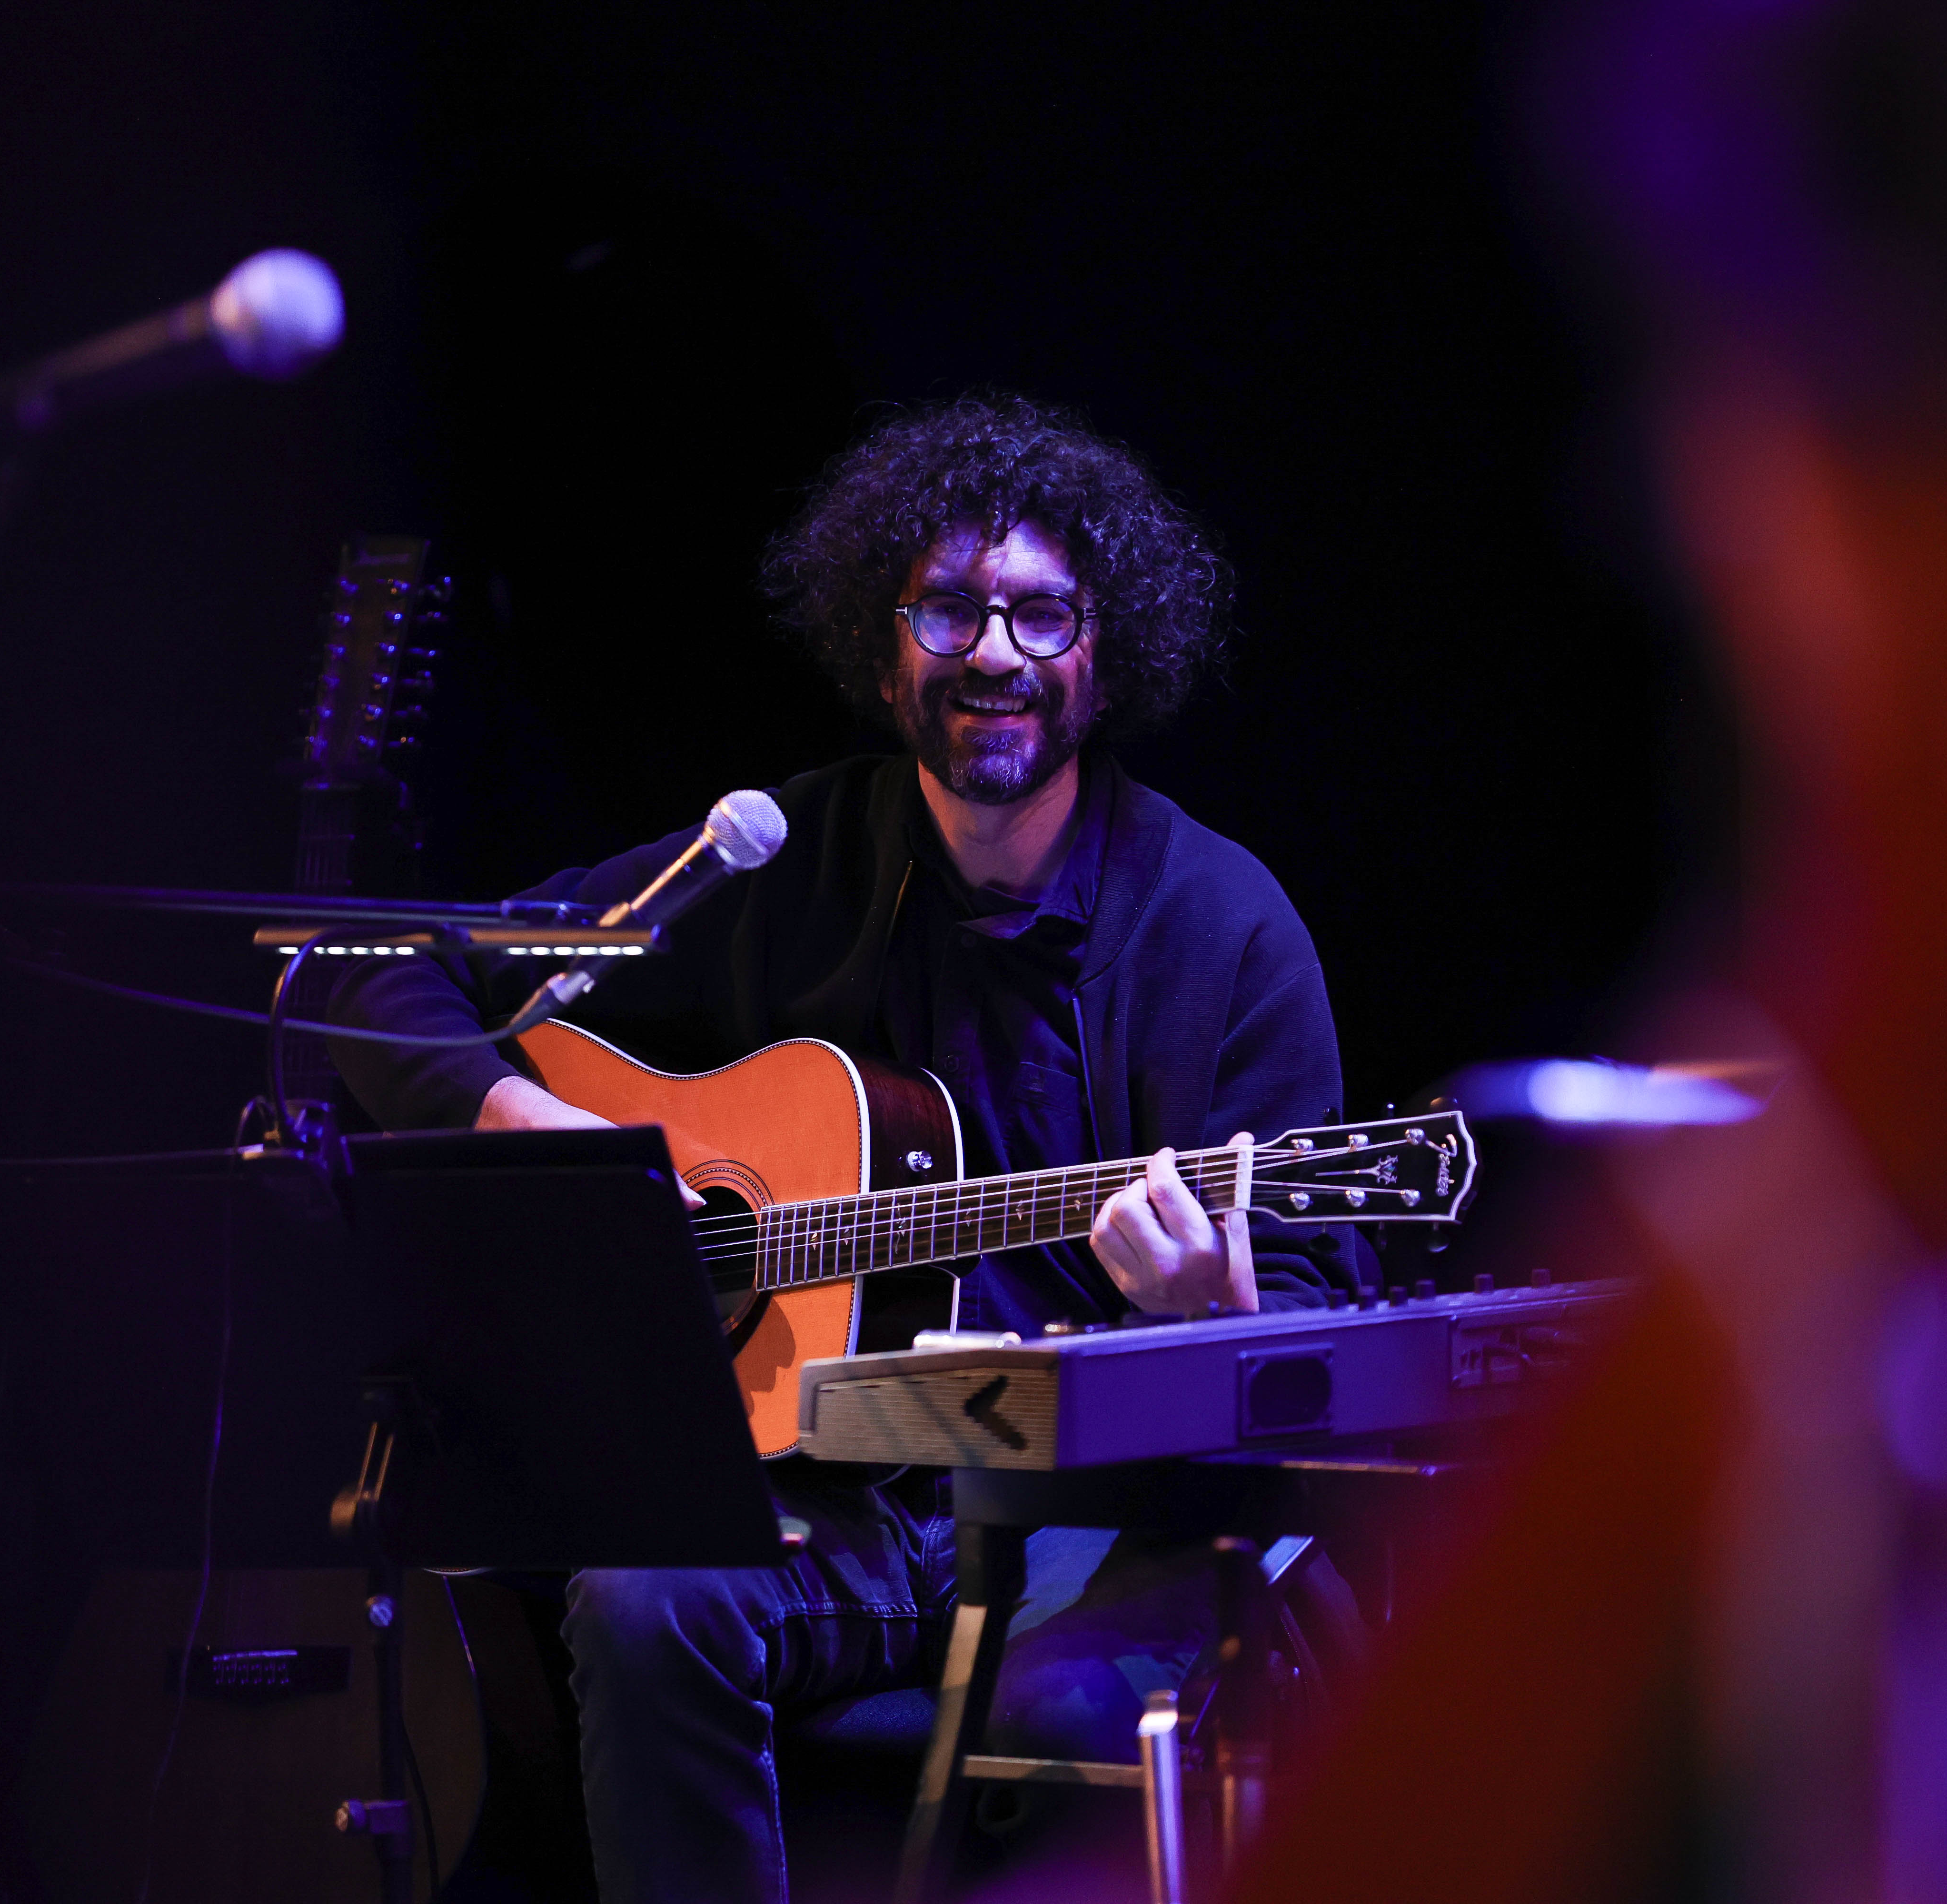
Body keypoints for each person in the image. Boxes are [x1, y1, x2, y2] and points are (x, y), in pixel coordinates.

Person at [332, 392, 1371, 1902]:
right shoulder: (784, 861)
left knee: (1067, 1723)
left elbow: (1329, 1321)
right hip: (841, 1498)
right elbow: (377, 975)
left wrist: (1211, 1315)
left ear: (1106, 650)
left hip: (1093, 1510)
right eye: (948, 610)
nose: (994, 654)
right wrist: (549, 1131)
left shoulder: (1224, 929)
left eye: (1041, 614)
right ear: (883, 653)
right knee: (643, 1602)